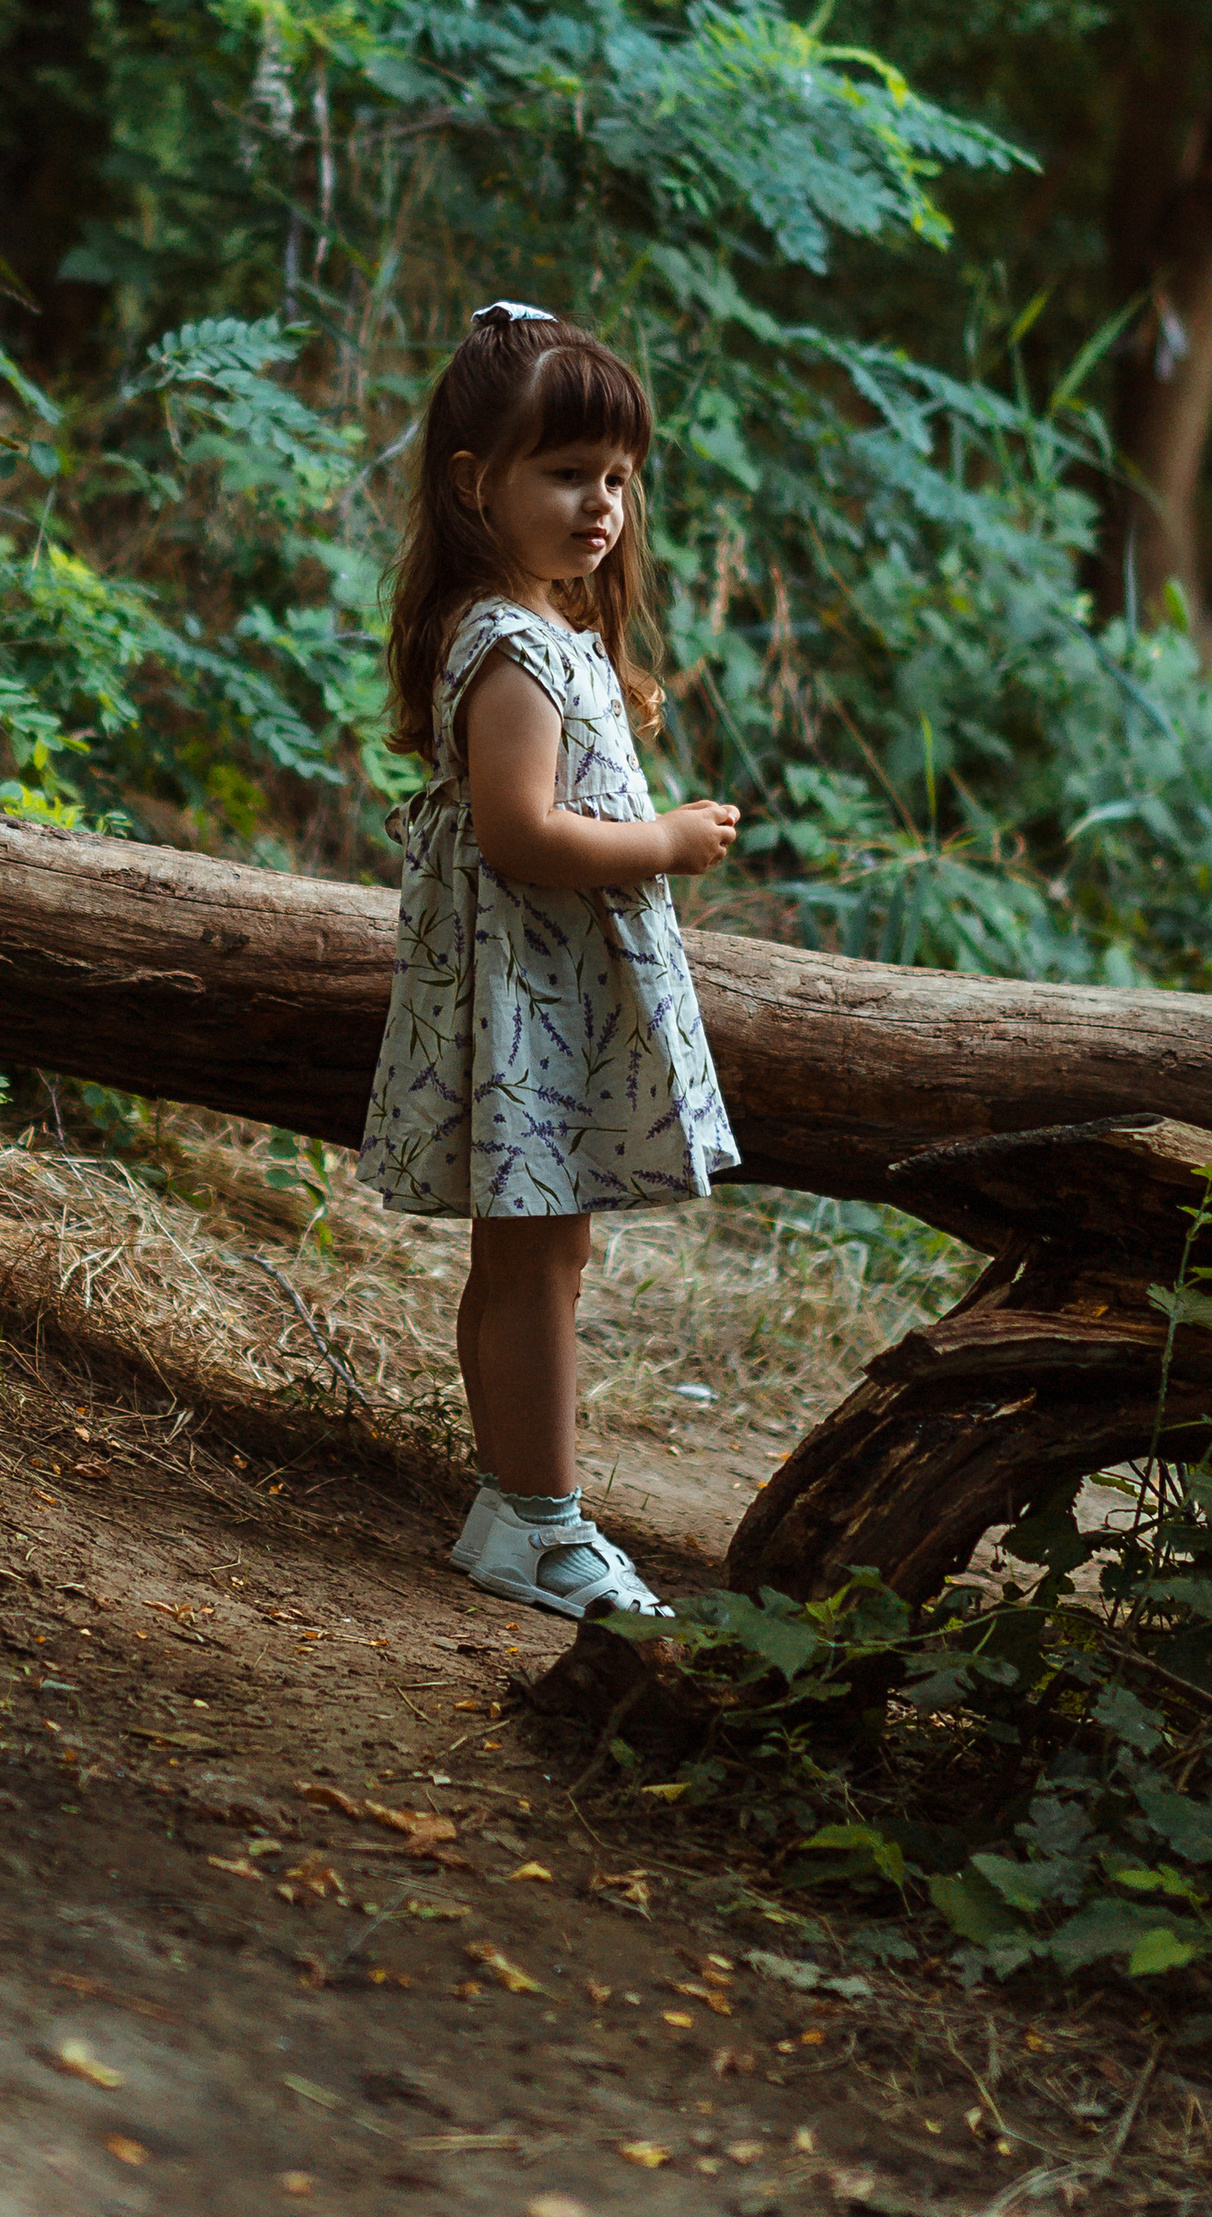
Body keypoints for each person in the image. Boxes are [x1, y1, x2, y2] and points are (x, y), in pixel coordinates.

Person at [358, 301, 740, 1620]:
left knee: (536, 1256)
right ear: (479, 485)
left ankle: (508, 1500)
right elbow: (521, 835)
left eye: (620, 477)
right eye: (569, 472)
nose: (603, 504)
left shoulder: (541, 630)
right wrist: (666, 840)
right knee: (533, 1259)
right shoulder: (510, 644)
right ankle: (545, 1519)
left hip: (536, 995)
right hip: (523, 1003)